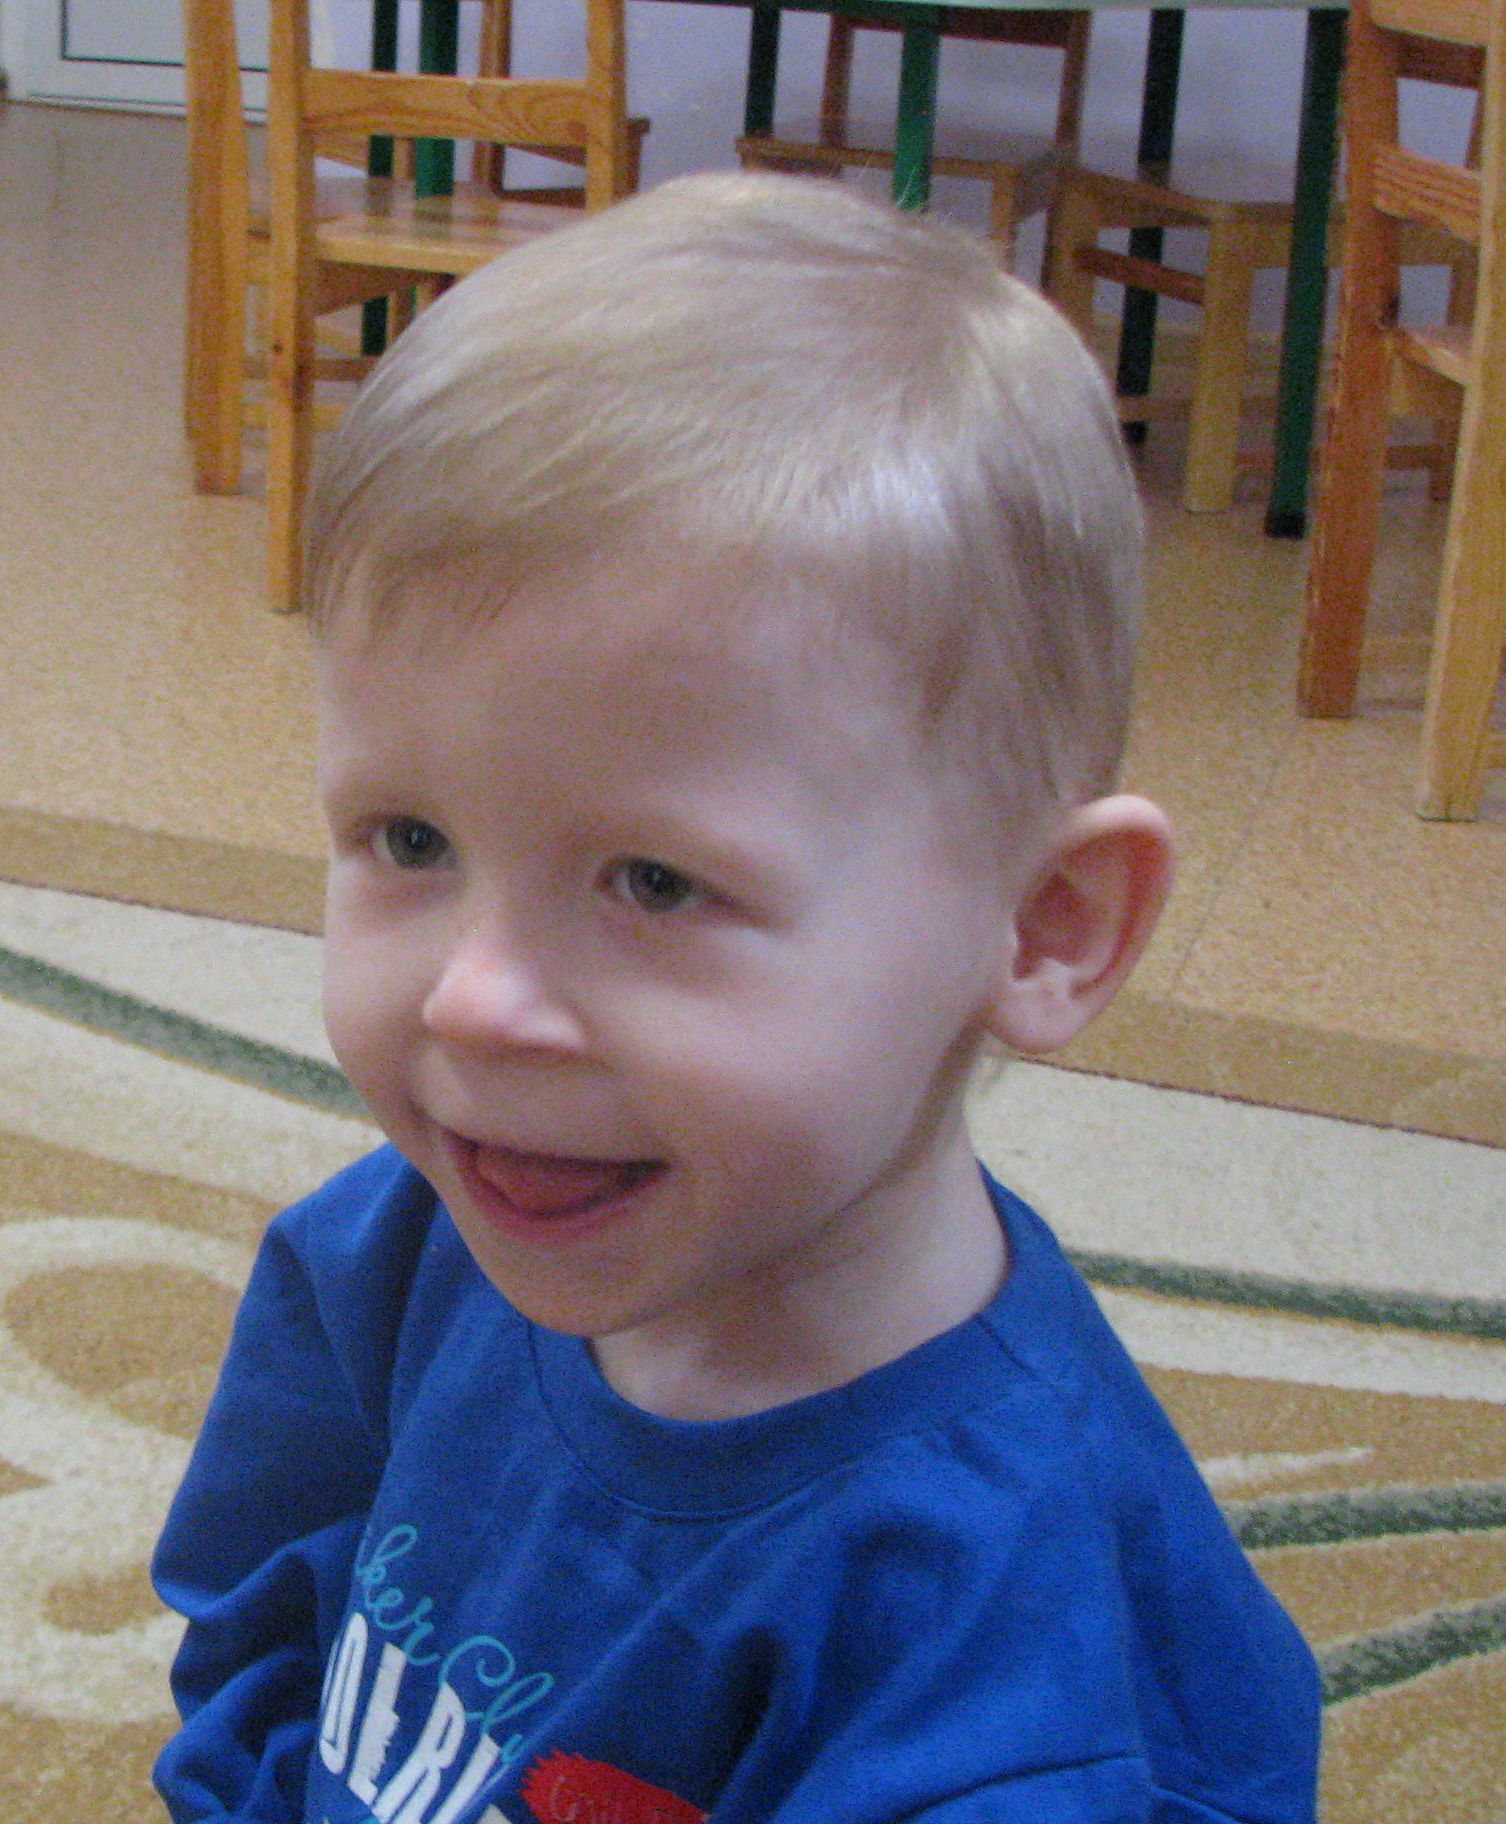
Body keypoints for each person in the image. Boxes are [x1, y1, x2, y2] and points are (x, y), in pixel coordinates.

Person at [151, 170, 1323, 1824]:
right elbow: (261, 1636)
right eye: (411, 841)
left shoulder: (1010, 1666)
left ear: (1045, 926)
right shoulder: (404, 1248)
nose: (475, 1005)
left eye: (655, 883)